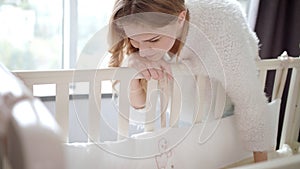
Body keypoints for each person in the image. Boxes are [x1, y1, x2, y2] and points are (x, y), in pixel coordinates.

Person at [107, 0, 273, 163]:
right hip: (182, 123)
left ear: (180, 19)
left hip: (226, 121)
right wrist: (133, 67)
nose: (143, 51)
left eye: (153, 40)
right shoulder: (141, 35)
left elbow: (250, 100)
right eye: (134, 40)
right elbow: (140, 105)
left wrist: (262, 164)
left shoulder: (221, 26)